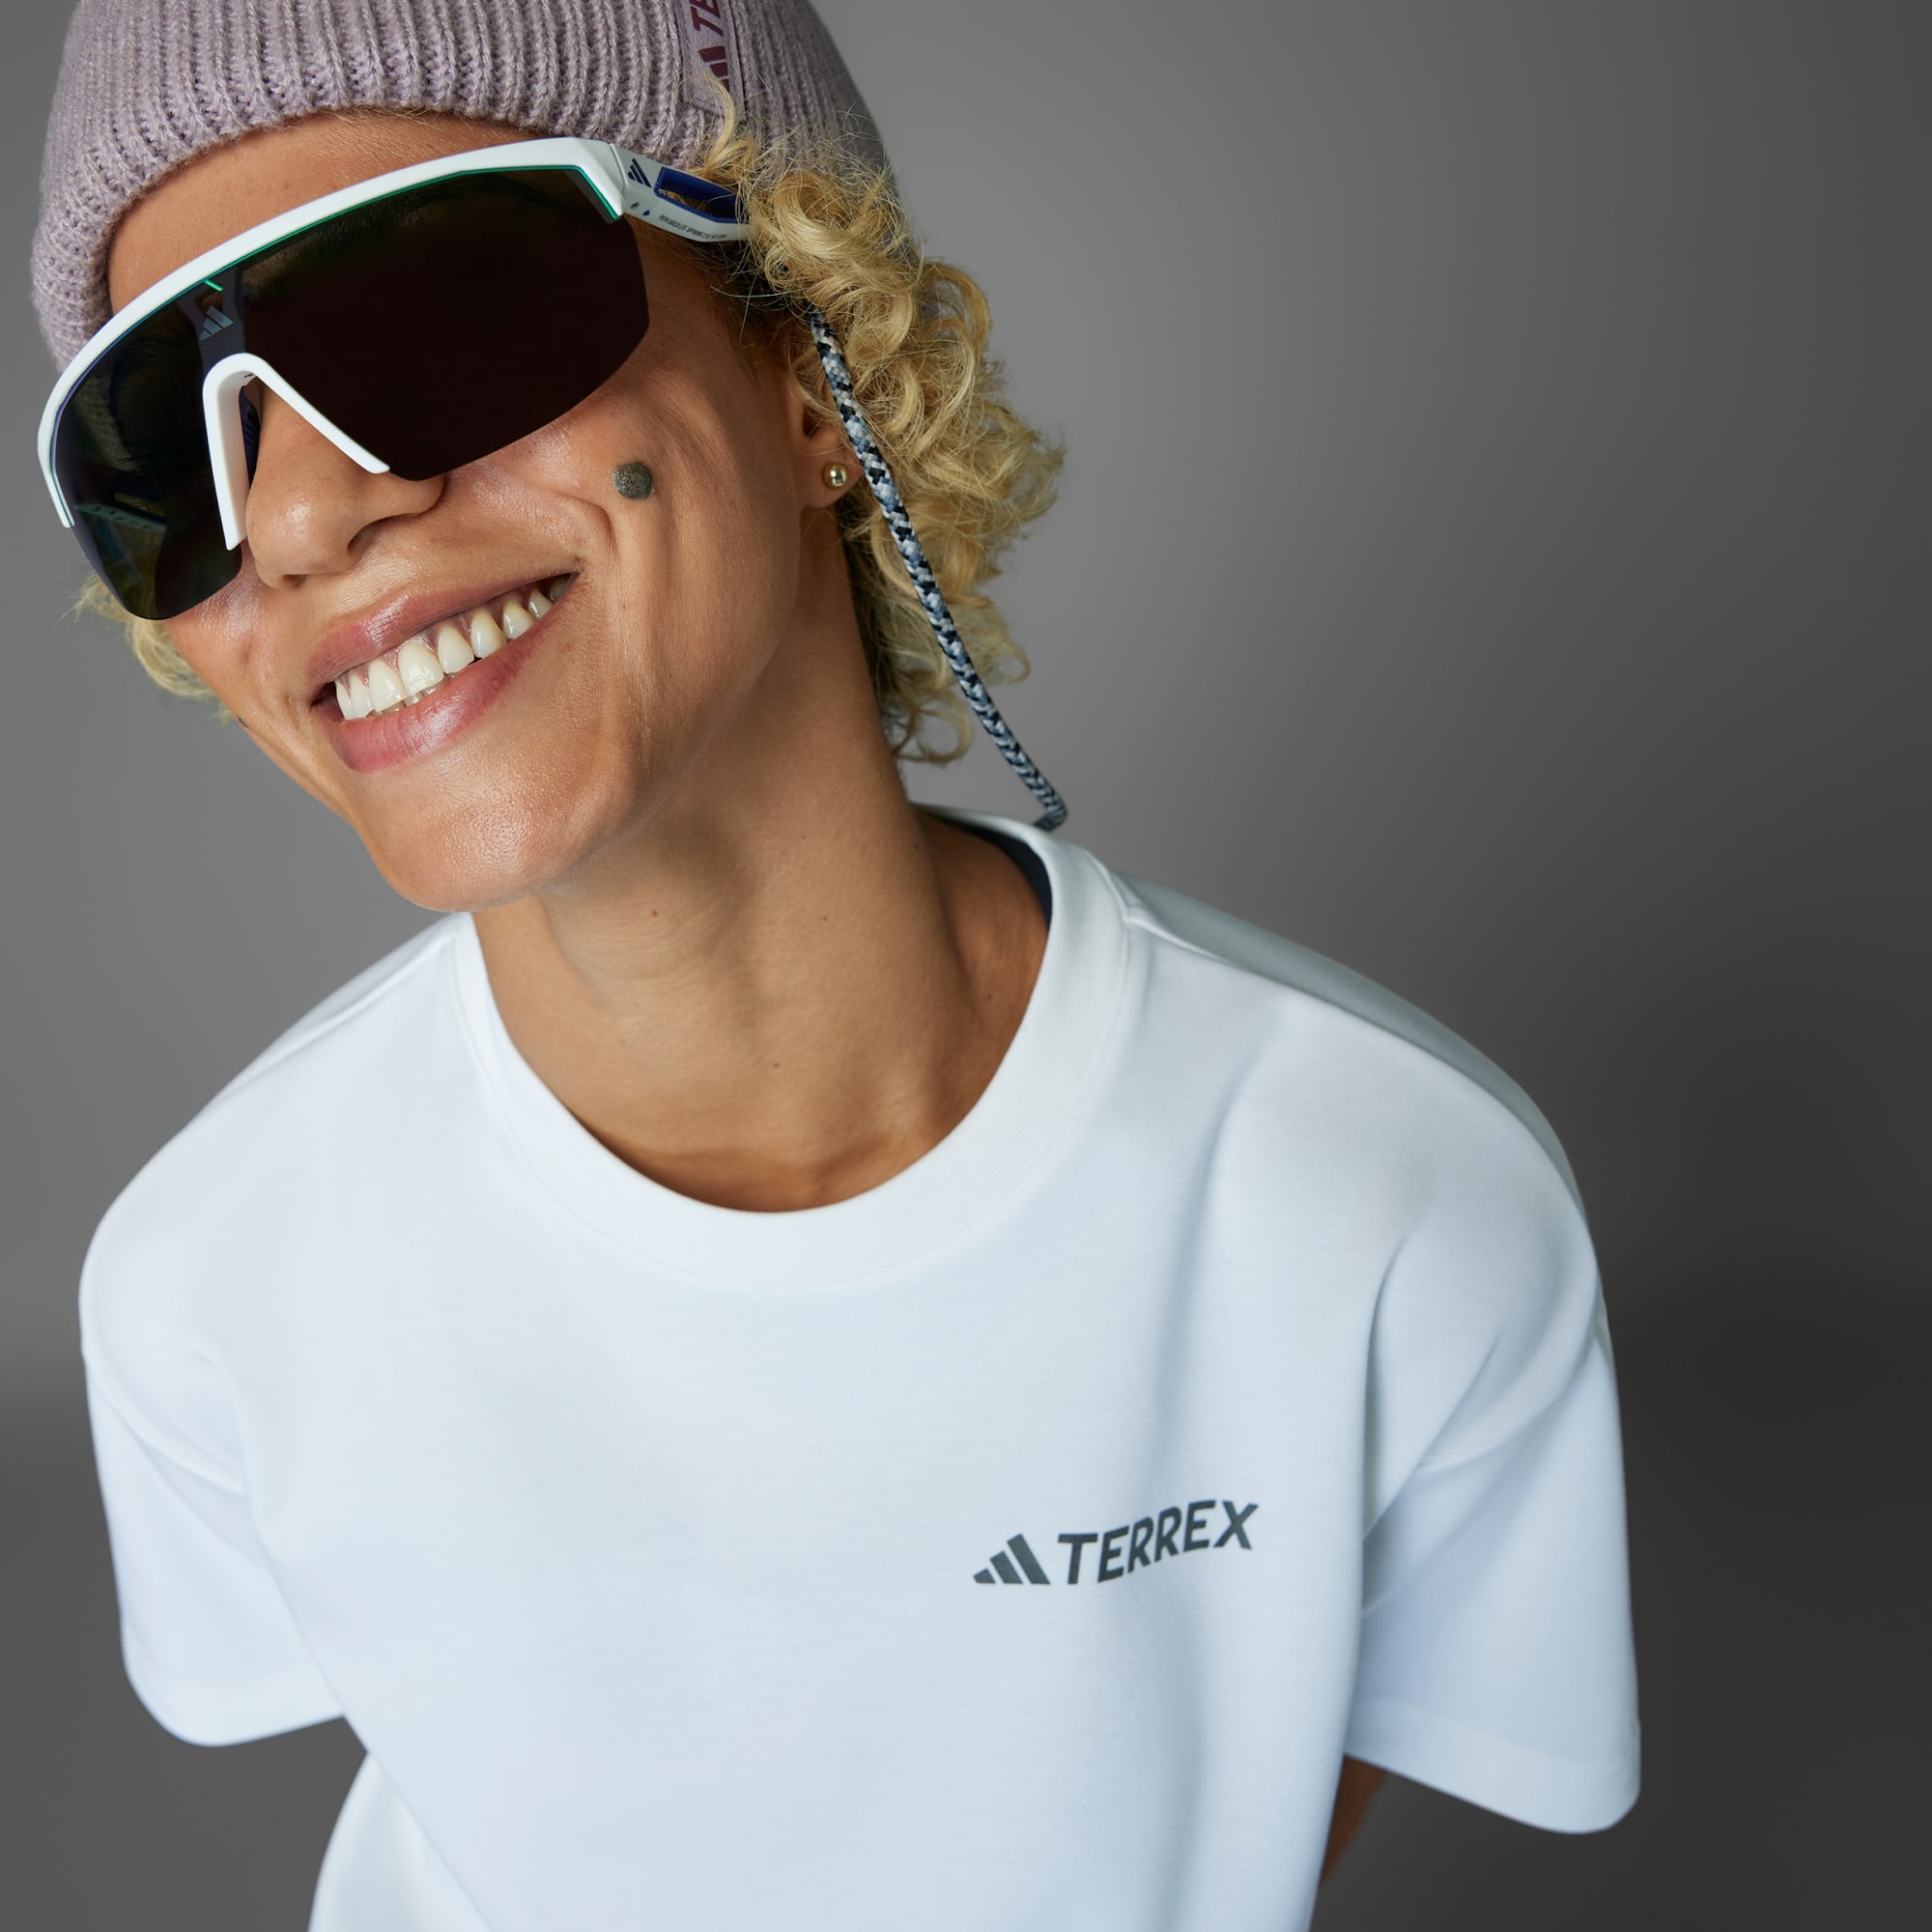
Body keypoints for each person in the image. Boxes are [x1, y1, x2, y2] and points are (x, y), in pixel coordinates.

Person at [32, 3, 1640, 1927]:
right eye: (164, 434)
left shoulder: (1399, 1197)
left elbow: (1261, 1776)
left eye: (433, 304)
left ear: (811, 361)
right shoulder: (203, 1287)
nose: (297, 519)